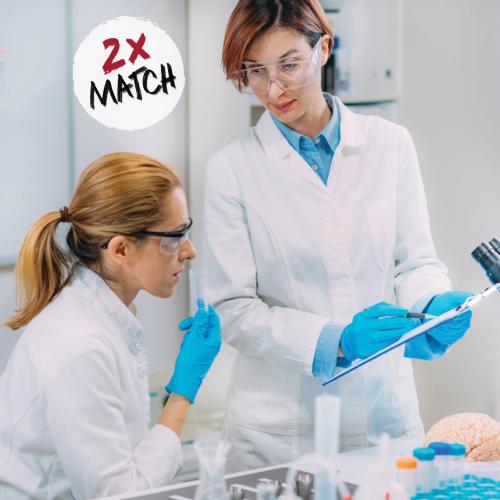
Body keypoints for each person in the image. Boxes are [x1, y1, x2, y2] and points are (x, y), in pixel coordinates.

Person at [204, 0, 473, 472]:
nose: (273, 88)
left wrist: (431, 304)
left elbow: (415, 262)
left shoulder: (390, 144)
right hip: (280, 432)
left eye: (289, 64)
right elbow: (234, 310)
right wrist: (337, 339)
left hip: (381, 417)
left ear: (323, 48)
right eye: (255, 71)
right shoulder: (231, 171)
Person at [0, 153, 221, 499]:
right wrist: (181, 396)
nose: (189, 250)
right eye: (175, 237)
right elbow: (119, 495)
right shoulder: (80, 345)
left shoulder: (102, 314)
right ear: (119, 249)